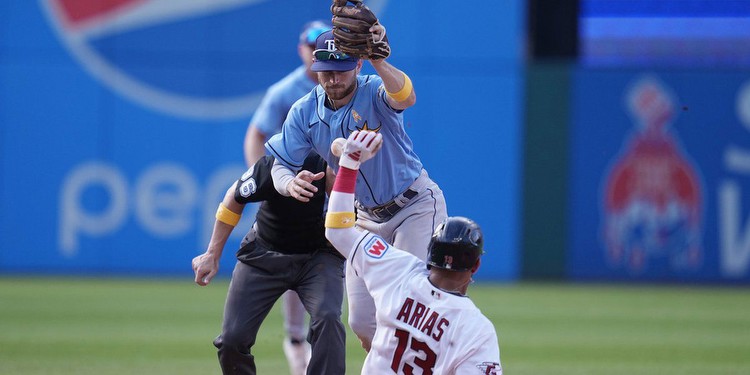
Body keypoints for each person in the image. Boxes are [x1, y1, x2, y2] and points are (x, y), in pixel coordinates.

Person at [265, 28, 448, 351]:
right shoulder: (304, 111)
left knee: (407, 308)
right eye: (326, 71)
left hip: (413, 207)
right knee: (363, 323)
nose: (333, 78)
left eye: (341, 69)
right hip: (363, 220)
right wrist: (288, 182)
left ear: (358, 66)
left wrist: (378, 60)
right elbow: (277, 162)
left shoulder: (374, 89)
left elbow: (406, 97)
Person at [324, 130, 502, 374]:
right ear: (475, 267)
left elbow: (338, 231)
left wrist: (349, 162)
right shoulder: (476, 329)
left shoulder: (396, 270)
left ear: (430, 251)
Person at [191, 153, 346, 375]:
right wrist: (212, 253)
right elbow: (234, 196)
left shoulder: (357, 171)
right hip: (264, 254)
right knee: (232, 339)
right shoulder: (279, 163)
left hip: (319, 258)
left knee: (328, 319)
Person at [243, 20, 330, 374]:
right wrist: (263, 179)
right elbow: (256, 134)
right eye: (311, 48)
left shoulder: (340, 86)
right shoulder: (286, 90)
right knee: (288, 255)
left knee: (327, 263)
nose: (314, 54)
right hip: (291, 187)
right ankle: (296, 339)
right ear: (302, 50)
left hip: (328, 189)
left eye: (321, 48)